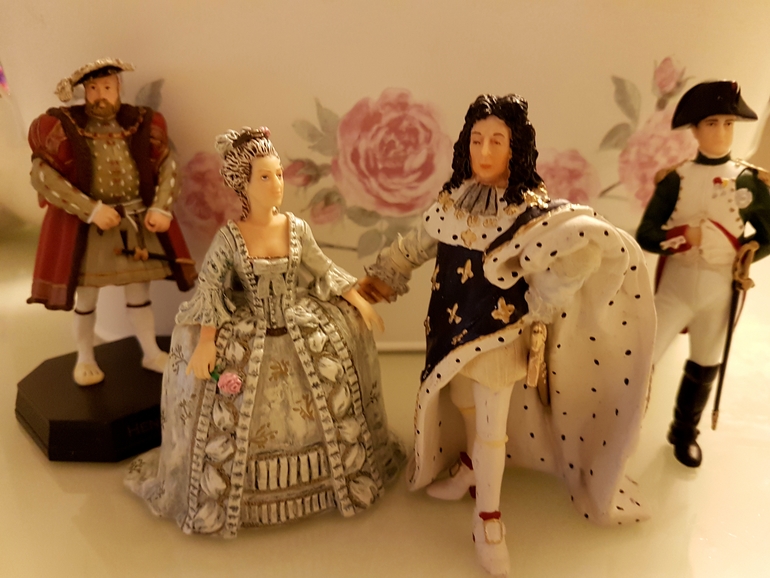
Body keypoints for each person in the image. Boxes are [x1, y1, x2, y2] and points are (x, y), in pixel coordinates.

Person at [360, 94, 655, 576]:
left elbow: (573, 250)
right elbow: (418, 244)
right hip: (449, 332)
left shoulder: (529, 209)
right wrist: (383, 277)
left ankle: (489, 520)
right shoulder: (453, 201)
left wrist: (544, 301)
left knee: (492, 426)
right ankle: (470, 470)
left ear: (515, 148)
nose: (484, 150)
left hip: (499, 333)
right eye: (477, 139)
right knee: (463, 404)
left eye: (496, 140)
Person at [125, 127, 404, 535]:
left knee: (332, 384)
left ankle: (331, 482)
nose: (277, 184)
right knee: (231, 411)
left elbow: (322, 268)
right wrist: (207, 341)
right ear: (243, 184)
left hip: (298, 322)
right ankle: (241, 497)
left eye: (279, 174)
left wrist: (358, 299)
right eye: (265, 177)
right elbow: (211, 288)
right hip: (250, 329)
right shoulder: (231, 238)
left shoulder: (296, 228)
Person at [27, 58, 195, 386]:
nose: (100, 95)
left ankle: (150, 352)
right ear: (84, 92)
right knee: (87, 299)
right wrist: (91, 210)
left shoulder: (141, 124)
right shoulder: (64, 127)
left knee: (139, 294)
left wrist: (161, 208)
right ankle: (85, 357)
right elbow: (42, 175)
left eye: (107, 86)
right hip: (90, 232)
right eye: (92, 88)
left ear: (119, 88)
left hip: (135, 225)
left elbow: (168, 165)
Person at [636, 80, 770, 468]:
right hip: (676, 286)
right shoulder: (675, 180)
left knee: (706, 362)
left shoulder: (749, 181)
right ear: (695, 130)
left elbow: (768, 235)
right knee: (643, 355)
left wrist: (749, 251)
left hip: (719, 288)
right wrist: (682, 236)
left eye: (728, 123)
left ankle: (684, 432)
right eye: (712, 124)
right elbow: (646, 234)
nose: (722, 132)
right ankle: (623, 424)